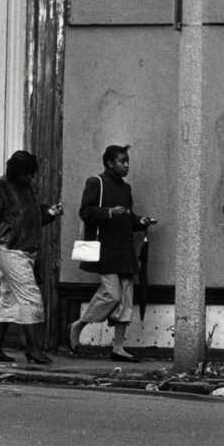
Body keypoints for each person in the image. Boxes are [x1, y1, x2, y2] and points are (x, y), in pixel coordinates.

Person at [0, 150, 63, 365]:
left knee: (9, 299)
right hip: (10, 248)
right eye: (27, 174)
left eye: (31, 174)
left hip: (24, 249)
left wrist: (51, 212)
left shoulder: (27, 187)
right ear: (16, 172)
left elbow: (31, 217)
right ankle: (33, 349)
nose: (31, 178)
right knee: (30, 296)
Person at [68, 145, 156, 363]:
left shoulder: (125, 188)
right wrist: (109, 212)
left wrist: (140, 221)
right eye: (122, 161)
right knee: (112, 295)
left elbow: (127, 217)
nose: (126, 165)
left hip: (124, 249)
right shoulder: (95, 182)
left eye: (127, 161)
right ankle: (79, 324)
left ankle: (118, 347)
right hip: (105, 250)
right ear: (109, 163)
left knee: (126, 300)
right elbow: (85, 212)